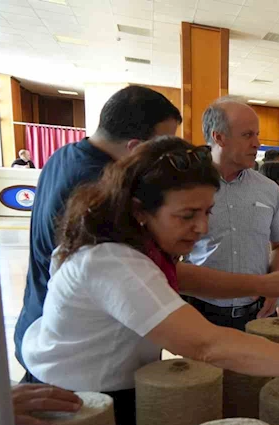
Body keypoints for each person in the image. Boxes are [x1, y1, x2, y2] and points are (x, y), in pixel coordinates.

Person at [20, 137, 279, 425]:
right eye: (187, 215)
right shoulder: (113, 261)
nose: (201, 227)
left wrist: (258, 284)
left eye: (207, 212)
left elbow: (183, 276)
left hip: (99, 392)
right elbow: (207, 345)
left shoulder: (129, 239)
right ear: (140, 209)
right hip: (76, 406)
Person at [14, 86, 182, 381]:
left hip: (43, 330)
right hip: (81, 354)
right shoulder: (104, 186)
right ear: (135, 147)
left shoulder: (65, 154)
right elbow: (136, 272)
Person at [185, 96, 279, 328]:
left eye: (256, 134)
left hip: (258, 315)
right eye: (247, 135)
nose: (257, 143)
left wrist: (273, 290)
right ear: (218, 137)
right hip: (200, 314)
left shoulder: (268, 189)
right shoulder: (184, 186)